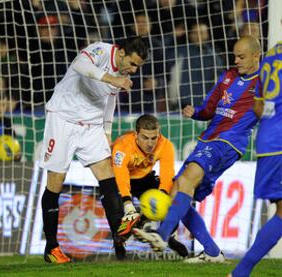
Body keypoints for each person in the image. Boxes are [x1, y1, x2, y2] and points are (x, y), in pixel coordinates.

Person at [140, 36, 261, 263]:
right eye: (234, 55)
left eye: (241, 57)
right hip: (208, 139)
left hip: (228, 142)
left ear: (256, 55)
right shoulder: (228, 76)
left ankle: (162, 235)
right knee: (180, 190)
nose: (236, 61)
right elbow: (209, 108)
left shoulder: (265, 79)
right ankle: (212, 252)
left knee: (185, 182)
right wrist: (195, 112)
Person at [40, 36, 148, 263]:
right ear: (120, 53)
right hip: (63, 118)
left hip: (91, 125)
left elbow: (110, 102)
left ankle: (120, 241)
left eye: (138, 66)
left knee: (108, 175)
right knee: (56, 181)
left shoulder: (122, 73)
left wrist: (106, 133)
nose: (134, 70)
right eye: (133, 63)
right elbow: (79, 65)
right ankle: (51, 248)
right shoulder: (100, 50)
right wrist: (112, 78)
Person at [229, 41, 282, 277]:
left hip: (268, 140)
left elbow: (259, 107)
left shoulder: (270, 56)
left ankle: (241, 272)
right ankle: (241, 272)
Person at [111, 114, 189, 257]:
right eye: (145, 138)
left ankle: (167, 236)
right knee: (116, 211)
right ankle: (119, 243)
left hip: (143, 178)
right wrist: (127, 203)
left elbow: (167, 174)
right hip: (118, 179)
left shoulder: (165, 145)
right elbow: (120, 175)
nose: (150, 143)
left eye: (154, 138)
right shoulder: (122, 146)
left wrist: (162, 197)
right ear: (136, 135)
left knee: (171, 196)